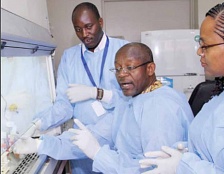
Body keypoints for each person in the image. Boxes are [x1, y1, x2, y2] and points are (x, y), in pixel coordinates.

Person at [14, 42, 194, 173]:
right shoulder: (131, 100)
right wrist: (40, 144)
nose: (122, 75)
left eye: (130, 68)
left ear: (150, 68)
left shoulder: (160, 107)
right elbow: (98, 134)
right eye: (117, 69)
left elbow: (150, 169)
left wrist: (98, 154)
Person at [139, 1, 224, 174]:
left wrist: (184, 166)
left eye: (205, 46)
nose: (199, 52)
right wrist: (186, 152)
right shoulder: (219, 96)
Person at [13, 2, 128, 174]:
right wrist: (38, 123)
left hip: (115, 140)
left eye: (89, 27)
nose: (84, 34)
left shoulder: (123, 50)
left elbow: (131, 101)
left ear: (101, 22)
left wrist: (98, 93)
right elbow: (64, 105)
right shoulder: (69, 57)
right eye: (78, 29)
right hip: (78, 146)